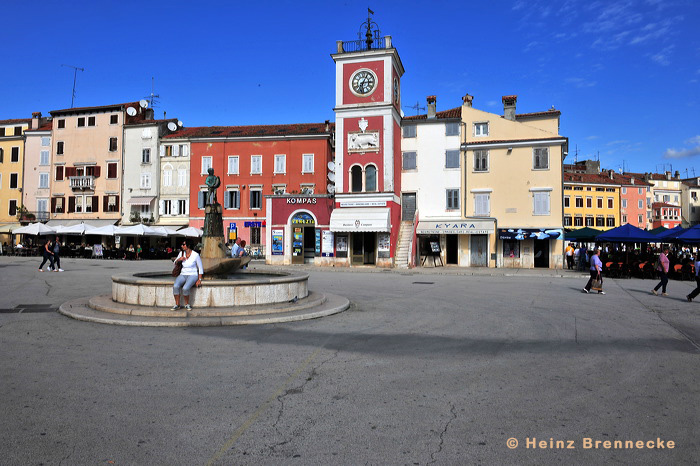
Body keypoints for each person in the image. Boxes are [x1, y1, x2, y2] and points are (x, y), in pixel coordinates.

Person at [172, 239, 203, 311]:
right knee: (175, 286)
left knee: (185, 288)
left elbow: (200, 268)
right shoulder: (181, 253)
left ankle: (187, 304)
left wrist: (199, 279)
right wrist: (179, 259)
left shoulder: (195, 255)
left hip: (193, 275)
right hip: (183, 274)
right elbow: (175, 263)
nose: (182, 246)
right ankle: (177, 304)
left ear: (188, 245)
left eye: (183, 244)